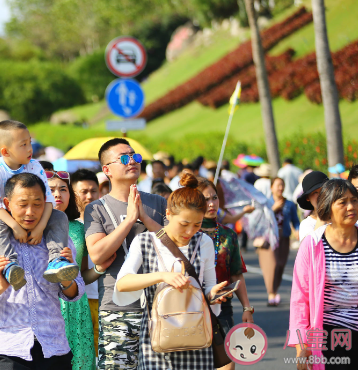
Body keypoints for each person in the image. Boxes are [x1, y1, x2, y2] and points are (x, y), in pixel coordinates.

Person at [0, 173, 85, 369]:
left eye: (38, 204)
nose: (30, 212)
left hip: (54, 347)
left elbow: (75, 293)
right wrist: (0, 286)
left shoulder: (58, 241)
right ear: (7, 203)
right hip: (8, 349)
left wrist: (66, 279)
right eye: (22, 204)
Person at [113, 173, 228, 370]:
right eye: (184, 224)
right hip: (157, 339)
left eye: (197, 225)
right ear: (168, 214)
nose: (190, 231)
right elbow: (122, 283)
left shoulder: (204, 242)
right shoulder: (146, 241)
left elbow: (207, 287)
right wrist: (162, 276)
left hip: (196, 336)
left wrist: (214, 294)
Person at [85, 138, 166, 369]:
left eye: (135, 156)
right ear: (107, 170)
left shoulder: (158, 203)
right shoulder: (96, 208)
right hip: (117, 307)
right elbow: (98, 255)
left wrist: (147, 220)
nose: (132, 161)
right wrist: (130, 219)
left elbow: (174, 247)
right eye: (123, 158)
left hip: (159, 305)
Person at [0, 120, 75, 291]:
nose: (30, 149)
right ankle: (10, 266)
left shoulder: (34, 165)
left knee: (60, 216)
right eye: (23, 145)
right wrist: (14, 226)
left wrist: (40, 227)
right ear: (5, 151)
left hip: (35, 217)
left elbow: (48, 200)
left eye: (30, 142)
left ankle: (56, 261)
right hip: (6, 217)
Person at [288, 179, 358, 370]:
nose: (351, 206)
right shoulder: (312, 245)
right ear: (328, 208)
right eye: (343, 202)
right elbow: (300, 301)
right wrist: (301, 347)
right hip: (328, 335)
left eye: (354, 200)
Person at [48, 171, 114, 369]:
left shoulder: (78, 229)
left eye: (63, 189)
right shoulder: (32, 229)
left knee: (80, 363)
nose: (58, 194)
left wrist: (100, 269)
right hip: (49, 307)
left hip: (77, 307)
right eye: (51, 190)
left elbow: (82, 276)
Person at [197, 176, 255, 369]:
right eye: (205, 199)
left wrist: (247, 307)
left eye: (214, 198)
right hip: (193, 309)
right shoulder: (187, 235)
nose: (211, 204)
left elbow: (236, 274)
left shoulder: (228, 235)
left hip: (223, 309)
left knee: (227, 364)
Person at [70, 168, 102, 353]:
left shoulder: (108, 223)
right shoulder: (69, 227)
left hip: (106, 299)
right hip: (80, 300)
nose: (89, 196)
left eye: (93, 191)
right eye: (84, 192)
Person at [258, 177, 300, 307]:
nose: (280, 188)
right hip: (269, 238)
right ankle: (271, 293)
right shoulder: (266, 203)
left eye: (282, 185)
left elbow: (295, 221)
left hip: (284, 236)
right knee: (273, 264)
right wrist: (273, 209)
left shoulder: (289, 204)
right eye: (277, 185)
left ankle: (274, 291)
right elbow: (259, 220)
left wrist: (298, 231)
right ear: (271, 187)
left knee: (281, 265)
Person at [296, 171, 329, 243]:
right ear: (308, 198)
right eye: (315, 192)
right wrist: (322, 216)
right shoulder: (307, 224)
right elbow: (309, 248)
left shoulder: (339, 216)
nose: (320, 195)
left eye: (323, 190)